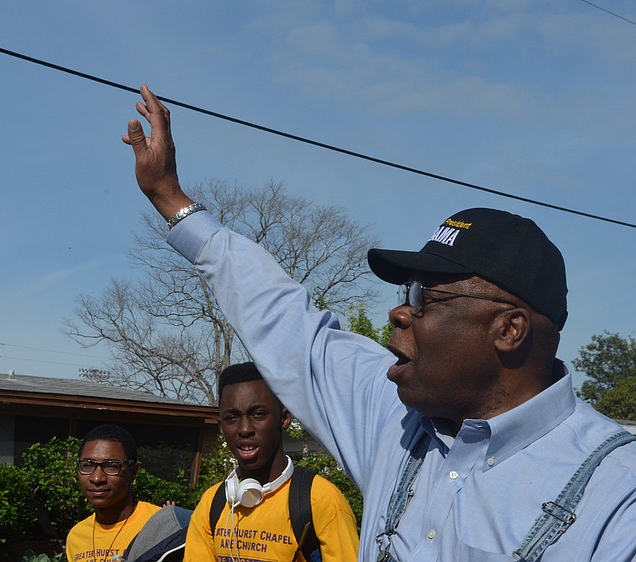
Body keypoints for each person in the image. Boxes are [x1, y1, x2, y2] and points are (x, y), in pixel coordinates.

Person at [121, 85, 636, 561]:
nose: (398, 312)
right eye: (403, 293)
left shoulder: (615, 494)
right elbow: (283, 319)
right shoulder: (393, 418)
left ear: (509, 329)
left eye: (424, 297)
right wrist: (171, 199)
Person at [185, 362, 359, 561]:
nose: (244, 429)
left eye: (257, 414)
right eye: (232, 417)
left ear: (284, 418)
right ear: (221, 427)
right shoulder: (213, 503)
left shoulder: (321, 501)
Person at [66, 424, 161, 562]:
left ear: (133, 471)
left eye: (111, 466)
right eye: (87, 465)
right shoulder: (76, 536)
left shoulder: (159, 526)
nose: (97, 478)